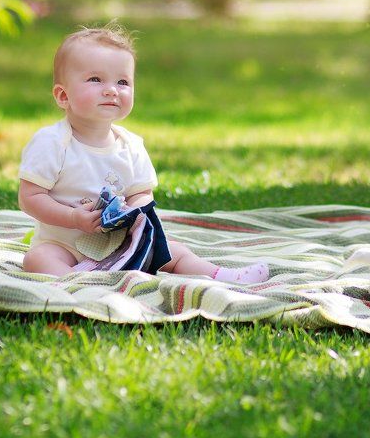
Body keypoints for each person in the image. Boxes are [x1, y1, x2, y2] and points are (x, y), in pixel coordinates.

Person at [18, 23, 269, 283]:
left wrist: (132, 212)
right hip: (65, 245)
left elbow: (141, 193)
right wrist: (73, 217)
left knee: (173, 251)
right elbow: (30, 197)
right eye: (95, 79)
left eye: (123, 82)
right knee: (38, 259)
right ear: (62, 95)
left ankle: (222, 275)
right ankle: (80, 282)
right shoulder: (52, 142)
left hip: (120, 244)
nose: (111, 89)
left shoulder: (131, 145)